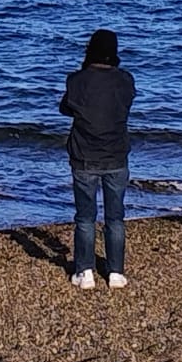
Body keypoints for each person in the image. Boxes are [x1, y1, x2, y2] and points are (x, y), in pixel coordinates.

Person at [60, 29, 136, 290]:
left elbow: (65, 108)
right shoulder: (125, 80)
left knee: (85, 216)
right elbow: (125, 105)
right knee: (115, 217)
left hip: (84, 155)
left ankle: (85, 271)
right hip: (116, 154)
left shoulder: (77, 80)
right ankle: (115, 271)